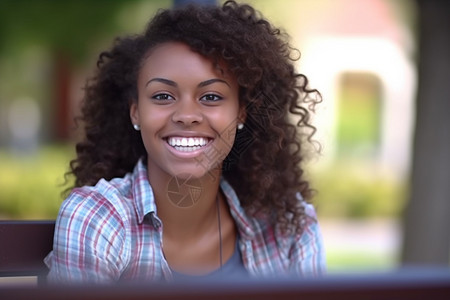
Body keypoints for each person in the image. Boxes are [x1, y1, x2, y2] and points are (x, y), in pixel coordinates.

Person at [45, 0, 325, 283]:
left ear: (241, 112)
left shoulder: (290, 227)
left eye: (211, 97)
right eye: (163, 96)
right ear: (136, 111)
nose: (187, 115)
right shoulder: (97, 218)